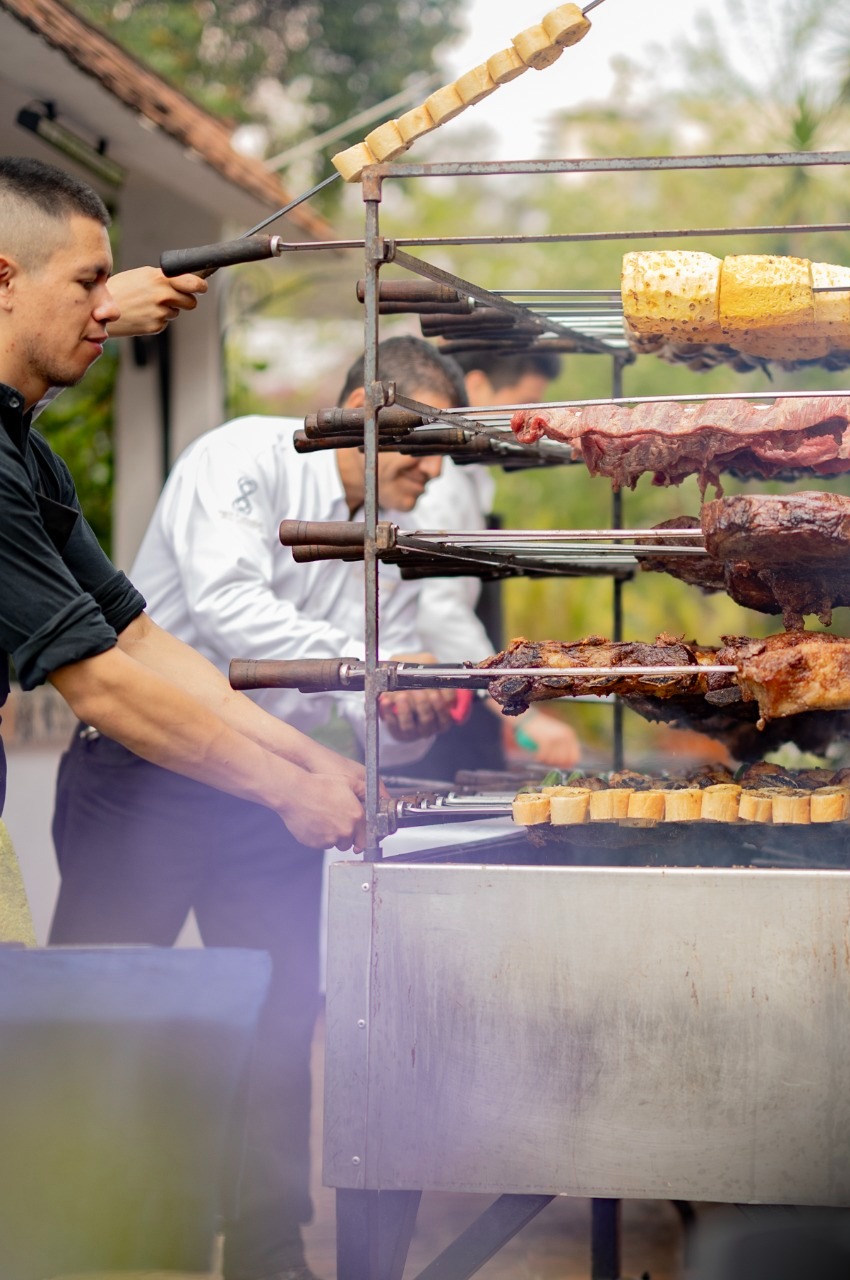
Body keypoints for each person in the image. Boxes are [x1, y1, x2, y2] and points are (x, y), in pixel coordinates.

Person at [49, 336, 467, 1280]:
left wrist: (405, 713)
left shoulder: (388, 553)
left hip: (270, 793)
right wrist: (368, 668)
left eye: (443, 452)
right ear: (362, 406)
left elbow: (376, 724)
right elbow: (228, 610)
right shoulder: (243, 457)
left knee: (282, 1024)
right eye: (420, 444)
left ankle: (270, 1255)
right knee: (103, 1022)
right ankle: (78, 1246)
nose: (434, 470)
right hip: (141, 774)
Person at [0, 154, 367, 847]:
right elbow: (99, 681)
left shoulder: (29, 456)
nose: (108, 304)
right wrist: (288, 791)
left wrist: (310, 756)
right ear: (5, 280)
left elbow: (136, 637)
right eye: (89, 282)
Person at [411, 349, 581, 774]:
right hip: (433, 704)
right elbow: (439, 610)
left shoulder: (471, 479)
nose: (534, 424)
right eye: (526, 404)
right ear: (477, 387)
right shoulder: (441, 483)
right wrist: (525, 713)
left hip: (465, 694)